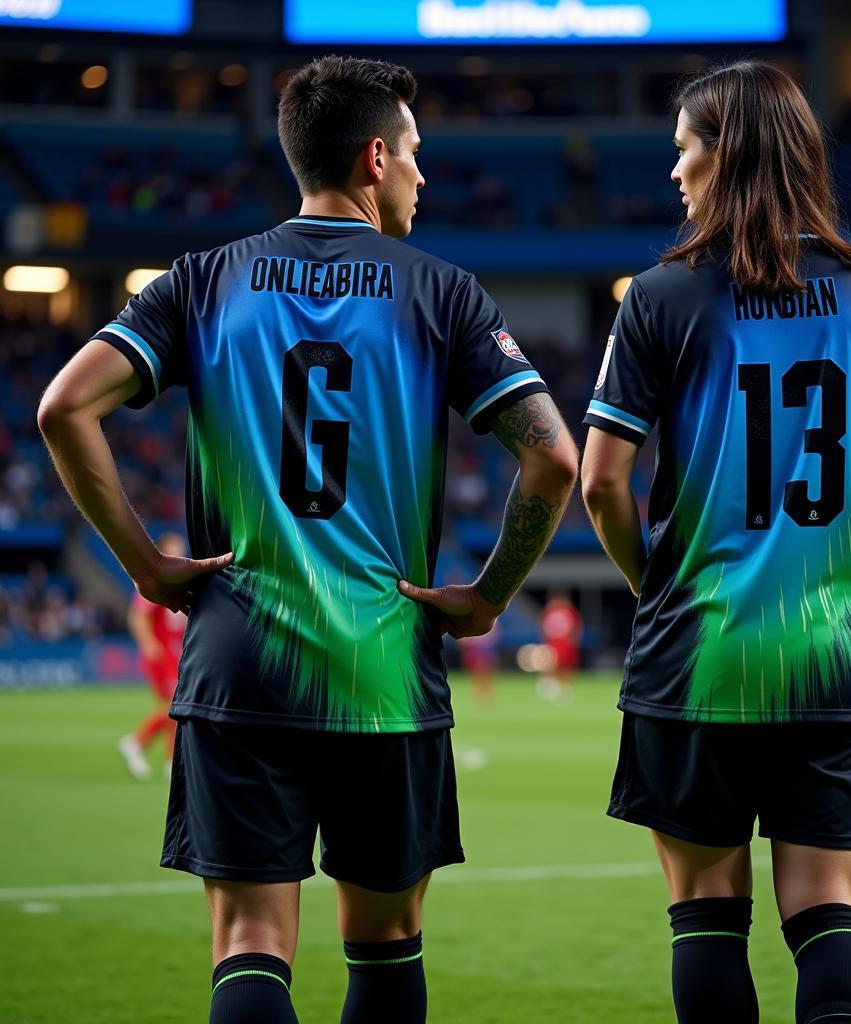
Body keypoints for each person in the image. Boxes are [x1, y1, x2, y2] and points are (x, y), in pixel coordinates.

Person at [38, 55, 577, 1024]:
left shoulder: (202, 281)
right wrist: (490, 594)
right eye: (414, 153)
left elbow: (64, 407)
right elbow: (553, 460)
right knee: (385, 946)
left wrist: (147, 565)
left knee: (250, 944)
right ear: (375, 157)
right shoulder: (442, 292)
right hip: (383, 672)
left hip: (238, 664)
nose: (421, 172)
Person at [580, 61, 851, 1024]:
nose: (675, 172)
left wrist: (655, 584)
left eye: (684, 148)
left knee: (705, 917)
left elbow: (600, 480)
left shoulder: (660, 296)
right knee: (829, 916)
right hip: (834, 651)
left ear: (723, 151)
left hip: (698, 652)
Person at [118, 531, 188, 780]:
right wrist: (148, 643)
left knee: (178, 708)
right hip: (163, 654)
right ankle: (136, 743)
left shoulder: (179, 578)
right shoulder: (157, 578)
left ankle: (171, 763)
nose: (181, 551)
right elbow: (138, 615)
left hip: (176, 653)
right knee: (174, 706)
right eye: (176, 546)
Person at [537, 590, 583, 700]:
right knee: (550, 664)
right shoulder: (548, 611)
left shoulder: (569, 611)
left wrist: (573, 640)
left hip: (565, 643)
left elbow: (576, 627)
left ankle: (566, 687)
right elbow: (543, 626)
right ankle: (549, 685)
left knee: (566, 665)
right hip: (552, 642)